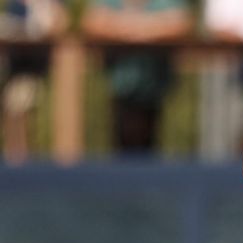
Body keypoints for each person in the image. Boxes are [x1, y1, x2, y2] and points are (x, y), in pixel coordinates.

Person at [80, 0, 193, 153]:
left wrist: (131, 26)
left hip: (159, 92)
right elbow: (92, 23)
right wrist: (151, 25)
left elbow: (181, 24)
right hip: (119, 90)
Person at [0, 0, 68, 164]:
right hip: (17, 68)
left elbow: (60, 25)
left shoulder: (54, 4)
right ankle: (17, 160)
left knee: (22, 96)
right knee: (16, 100)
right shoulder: (15, 5)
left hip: (45, 69)